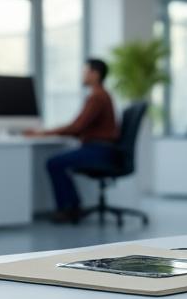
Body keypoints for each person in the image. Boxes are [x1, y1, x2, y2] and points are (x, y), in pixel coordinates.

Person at [25, 58, 119, 224]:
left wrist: (43, 133)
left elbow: (77, 127)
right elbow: (79, 127)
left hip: (99, 150)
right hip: (103, 149)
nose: (82, 75)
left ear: (95, 74)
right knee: (57, 162)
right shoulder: (101, 95)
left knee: (54, 163)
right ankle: (72, 206)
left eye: (85, 71)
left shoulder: (97, 97)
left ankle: (69, 208)